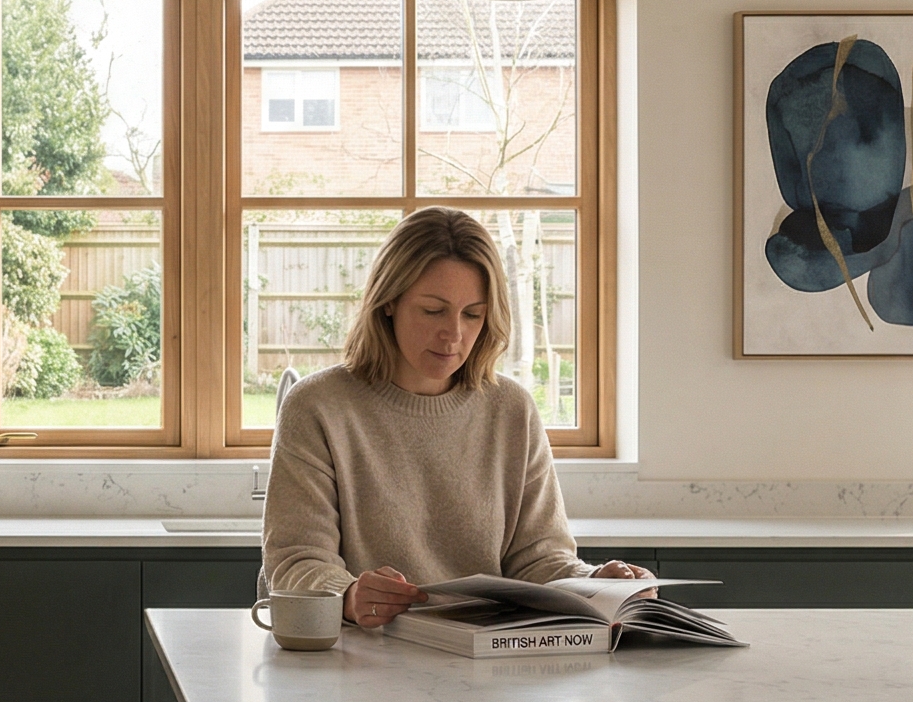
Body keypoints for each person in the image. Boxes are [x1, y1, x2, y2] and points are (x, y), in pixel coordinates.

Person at [263, 206, 649, 629]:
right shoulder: (317, 406)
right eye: (432, 310)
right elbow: (297, 562)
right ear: (388, 302)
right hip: (362, 657)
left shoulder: (512, 410)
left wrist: (593, 582)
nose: (454, 334)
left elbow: (539, 559)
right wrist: (351, 594)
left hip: (488, 659)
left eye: (473, 314)